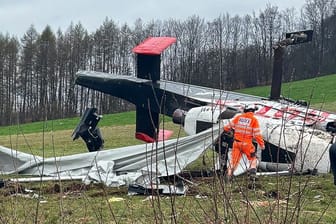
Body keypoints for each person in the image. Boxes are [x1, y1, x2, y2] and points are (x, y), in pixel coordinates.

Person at [223, 104, 265, 182]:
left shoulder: (238, 118)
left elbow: (226, 128)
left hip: (236, 143)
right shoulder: (254, 120)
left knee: (234, 161)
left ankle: (228, 176)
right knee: (252, 158)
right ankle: (252, 174)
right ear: (253, 111)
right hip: (247, 144)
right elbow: (257, 134)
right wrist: (262, 145)